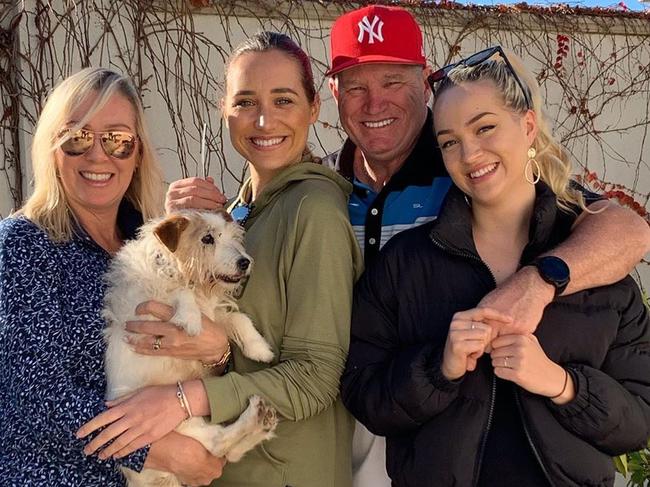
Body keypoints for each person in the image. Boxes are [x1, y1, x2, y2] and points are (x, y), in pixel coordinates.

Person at [164, 6, 650, 486]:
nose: (375, 104)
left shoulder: (470, 173)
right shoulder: (321, 188)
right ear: (332, 95)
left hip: (428, 437)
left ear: (424, 83)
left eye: (393, 82)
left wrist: (536, 282)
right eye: (356, 87)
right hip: (331, 424)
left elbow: (626, 230)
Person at [341, 46, 650, 487]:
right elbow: (364, 394)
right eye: (449, 141)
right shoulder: (404, 265)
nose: (469, 154)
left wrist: (562, 384)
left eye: (485, 128)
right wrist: (438, 369)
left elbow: (639, 420)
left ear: (527, 126)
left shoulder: (595, 262)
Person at [76, 33, 363, 487]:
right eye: (246, 101)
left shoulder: (315, 211)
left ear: (313, 109)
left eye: (283, 100)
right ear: (224, 110)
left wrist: (182, 400)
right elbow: (216, 346)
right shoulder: (238, 212)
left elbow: (316, 378)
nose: (264, 120)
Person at [0, 68, 224, 486]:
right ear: (52, 149)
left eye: (118, 141)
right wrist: (165, 451)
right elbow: (38, 400)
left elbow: (195, 351)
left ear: (138, 154)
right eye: (77, 137)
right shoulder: (25, 245)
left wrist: (219, 351)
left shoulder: (151, 251)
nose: (97, 156)